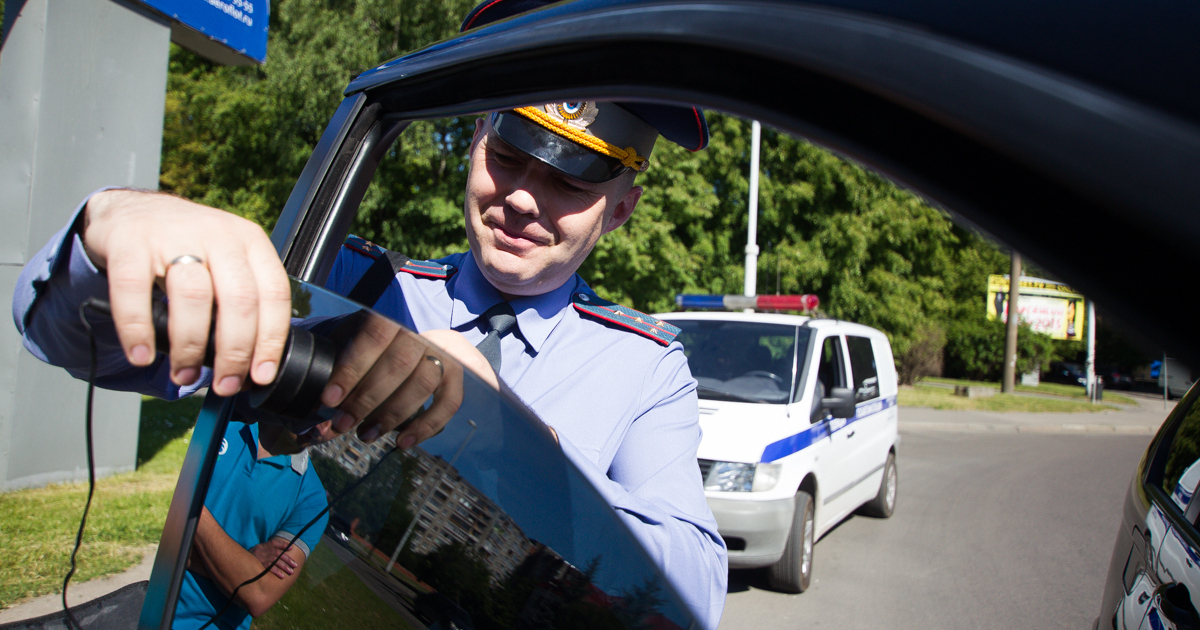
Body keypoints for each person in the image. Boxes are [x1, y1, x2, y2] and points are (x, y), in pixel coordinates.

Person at [11, 1, 727, 625]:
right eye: (508, 157)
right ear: (475, 142)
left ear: (623, 210)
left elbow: (694, 592)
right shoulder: (356, 280)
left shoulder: (646, 367)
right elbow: (73, 341)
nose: (523, 199)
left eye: (570, 180)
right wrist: (107, 234)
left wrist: (512, 430)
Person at [178, 419, 335, 630]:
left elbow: (259, 594)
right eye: (324, 412)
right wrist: (240, 563)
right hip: (136, 591)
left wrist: (190, 502)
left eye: (337, 424)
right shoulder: (218, 422)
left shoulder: (312, 500)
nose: (322, 429)